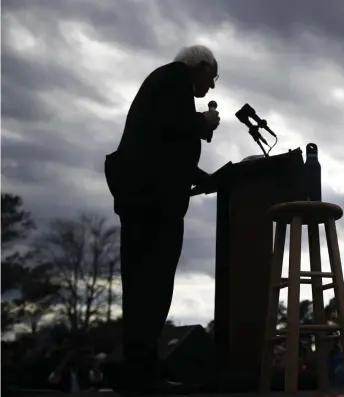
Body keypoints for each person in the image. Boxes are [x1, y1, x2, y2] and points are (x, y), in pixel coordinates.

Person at [104, 44, 220, 394]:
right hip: (153, 204)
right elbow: (176, 125)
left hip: (148, 199)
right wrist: (204, 122)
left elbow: (165, 147)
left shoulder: (164, 85)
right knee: (150, 284)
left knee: (145, 286)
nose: (212, 87)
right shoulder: (172, 80)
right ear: (198, 66)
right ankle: (141, 371)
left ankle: (142, 364)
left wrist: (205, 178)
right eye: (212, 77)